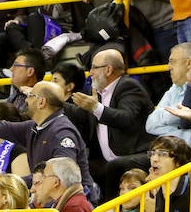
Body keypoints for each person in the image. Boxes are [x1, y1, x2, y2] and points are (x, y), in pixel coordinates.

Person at [62, 48, 153, 202]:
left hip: (135, 154)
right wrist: (54, 100)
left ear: (108, 69)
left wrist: (95, 107)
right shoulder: (99, 93)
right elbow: (79, 114)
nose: (90, 73)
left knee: (113, 167)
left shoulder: (128, 86)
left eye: (93, 68)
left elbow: (126, 118)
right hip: (107, 160)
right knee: (78, 166)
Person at [145, 43, 191, 144]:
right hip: (173, 148)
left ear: (189, 63)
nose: (168, 67)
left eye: (172, 62)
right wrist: (175, 119)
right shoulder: (175, 87)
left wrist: (162, 117)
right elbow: (150, 124)